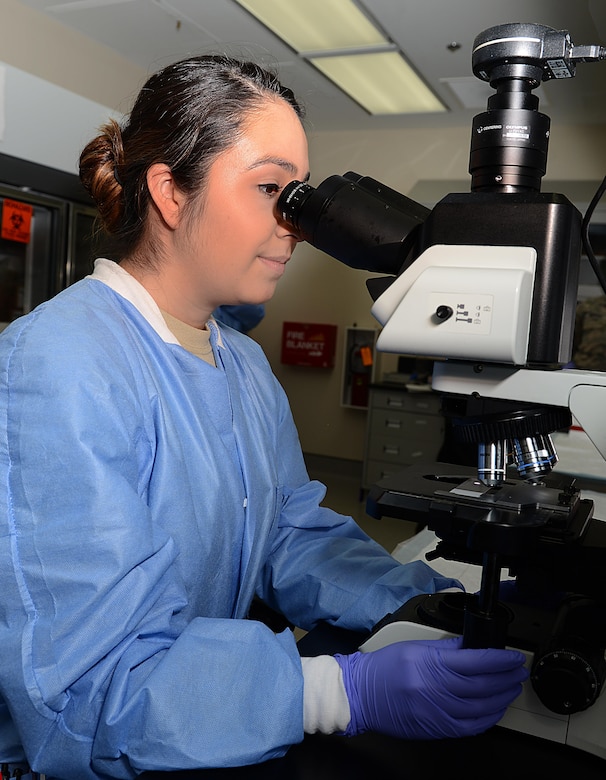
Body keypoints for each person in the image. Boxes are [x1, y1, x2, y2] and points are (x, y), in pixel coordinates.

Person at [0, 55, 527, 779]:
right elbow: (91, 693)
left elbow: (289, 532)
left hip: (201, 724)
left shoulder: (239, 360)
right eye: (271, 189)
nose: (296, 225)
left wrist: (434, 600)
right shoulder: (57, 363)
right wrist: (336, 692)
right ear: (170, 194)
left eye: (299, 195)